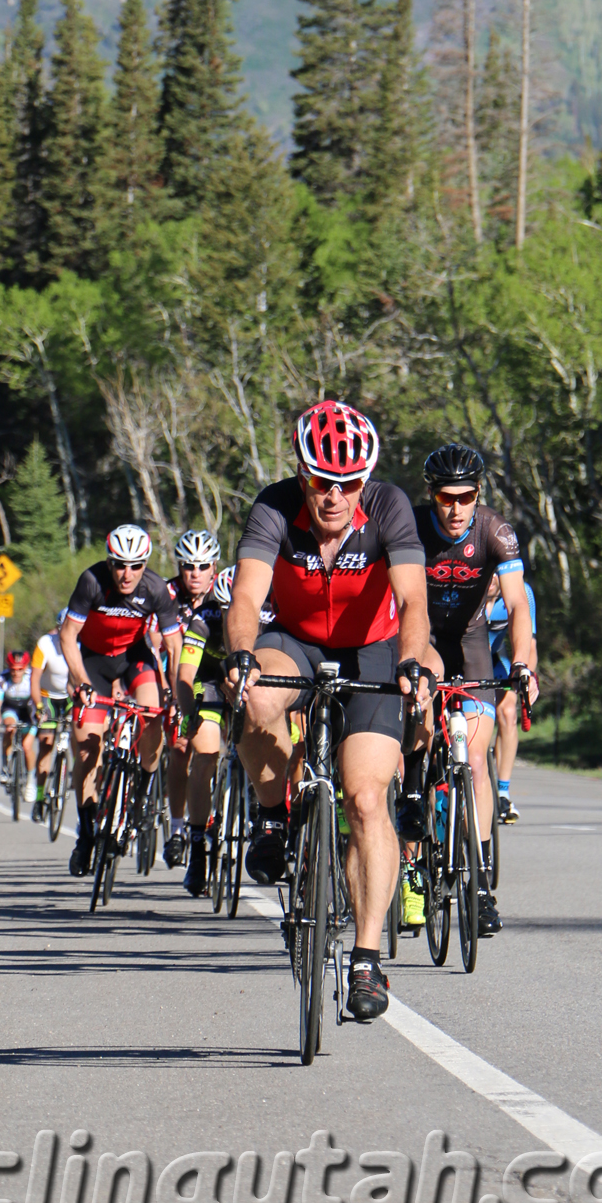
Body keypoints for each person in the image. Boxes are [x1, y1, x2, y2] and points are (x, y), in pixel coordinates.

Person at [224, 400, 430, 1024]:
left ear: (366, 480)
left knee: (366, 798)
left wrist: (413, 661)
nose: (335, 495)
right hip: (296, 640)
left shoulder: (390, 507)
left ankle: (366, 958)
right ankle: (271, 816)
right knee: (255, 698)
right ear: (300, 473)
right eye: (321, 482)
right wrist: (238, 654)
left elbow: (413, 599)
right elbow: (247, 594)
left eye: (349, 483)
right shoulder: (274, 506)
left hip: (373, 648)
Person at [407, 443, 538, 938]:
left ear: (478, 494)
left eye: (466, 496)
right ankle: (414, 815)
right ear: (432, 495)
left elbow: (519, 607)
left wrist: (522, 663)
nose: (456, 508)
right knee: (418, 716)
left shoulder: (495, 531)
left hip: (472, 641)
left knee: (476, 758)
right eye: (446, 497)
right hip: (422, 637)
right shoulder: (413, 527)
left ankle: (480, 885)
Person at [59, 524, 172, 877]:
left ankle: (142, 788)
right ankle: (87, 831)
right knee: (86, 747)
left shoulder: (155, 588)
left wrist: (171, 686)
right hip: (93, 661)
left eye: (136, 565)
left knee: (154, 716)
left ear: (145, 564)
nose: (127, 574)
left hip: (134, 658)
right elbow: (67, 636)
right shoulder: (92, 581)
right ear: (109, 562)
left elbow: (174, 642)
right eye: (120, 564)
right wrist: (79, 682)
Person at [173, 562, 235, 897]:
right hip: (208, 682)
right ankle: (197, 849)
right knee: (207, 755)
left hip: (248, 683)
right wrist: (188, 714)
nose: (230, 617)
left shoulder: (270, 614)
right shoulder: (204, 619)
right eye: (224, 609)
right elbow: (184, 675)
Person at [160, 528, 221, 868]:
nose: (194, 574)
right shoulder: (167, 594)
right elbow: (157, 645)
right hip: (181, 677)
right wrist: (167, 689)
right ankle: (179, 827)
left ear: (214, 567)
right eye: (187, 566)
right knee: (181, 748)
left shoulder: (223, 594)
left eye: (202, 567)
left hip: (214, 673)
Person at [489, 577, 539, 822]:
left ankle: (502, 792)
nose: (492, 579)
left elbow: (529, 645)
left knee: (508, 713)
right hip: (458, 658)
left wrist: (527, 677)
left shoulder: (522, 591)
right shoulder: (469, 584)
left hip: (495, 658)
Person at [30, 623, 72, 822]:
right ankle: (39, 798)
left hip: (72, 696)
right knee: (46, 745)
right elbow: (34, 678)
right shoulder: (46, 644)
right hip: (48, 696)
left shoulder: (82, 644)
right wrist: (38, 705)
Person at [0, 650, 39, 800]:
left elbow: (38, 699)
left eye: (20, 669)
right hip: (10, 708)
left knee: (26, 747)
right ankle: (5, 767)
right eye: (13, 669)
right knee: (10, 728)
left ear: (26, 668)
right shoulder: (2, 679)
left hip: (28, 709)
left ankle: (31, 781)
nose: (16, 673)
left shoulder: (32, 677)